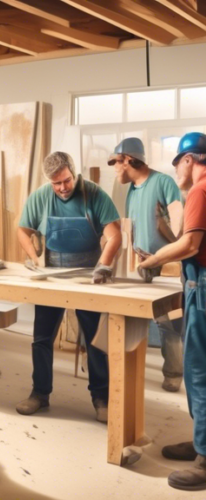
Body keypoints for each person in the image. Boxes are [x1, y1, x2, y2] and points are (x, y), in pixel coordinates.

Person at [16, 152, 121, 422]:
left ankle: (101, 398)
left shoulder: (94, 195)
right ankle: (40, 393)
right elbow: (22, 230)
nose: (62, 188)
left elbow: (114, 235)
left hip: (88, 277)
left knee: (95, 342)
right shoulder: (40, 196)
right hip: (51, 276)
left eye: (65, 181)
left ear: (74, 174)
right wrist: (35, 257)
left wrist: (104, 265)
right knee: (41, 339)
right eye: (56, 184)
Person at [139, 132, 206, 491]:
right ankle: (201, 444)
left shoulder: (199, 190)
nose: (175, 171)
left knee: (199, 373)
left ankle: (205, 460)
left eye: (176, 162)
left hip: (204, 288)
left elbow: (190, 244)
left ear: (188, 160)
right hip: (200, 282)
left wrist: (152, 260)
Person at [111, 137, 184, 392]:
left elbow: (180, 225)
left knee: (169, 324)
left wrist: (166, 256)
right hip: (139, 265)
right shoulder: (131, 189)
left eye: (117, 163)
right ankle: (129, 370)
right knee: (131, 318)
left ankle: (174, 374)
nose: (116, 169)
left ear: (128, 160)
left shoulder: (163, 182)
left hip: (166, 266)